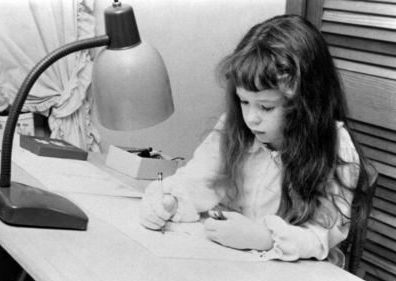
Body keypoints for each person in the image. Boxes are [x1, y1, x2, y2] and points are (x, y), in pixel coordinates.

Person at [139, 14, 373, 267]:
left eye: (266, 107)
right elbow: (196, 180)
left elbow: (321, 236)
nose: (252, 118)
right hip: (235, 263)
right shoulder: (235, 126)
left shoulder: (336, 146)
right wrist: (168, 200)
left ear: (305, 104)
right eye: (244, 101)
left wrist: (263, 238)